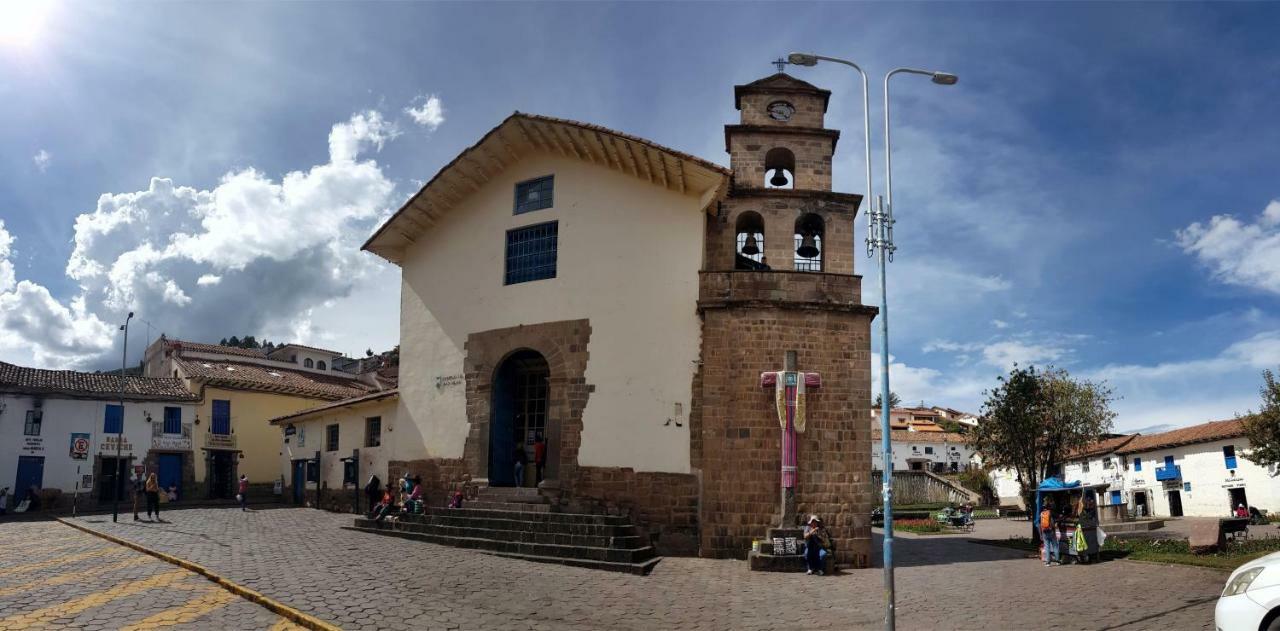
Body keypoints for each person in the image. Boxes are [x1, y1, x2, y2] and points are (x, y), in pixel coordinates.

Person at [1077, 493, 1100, 564]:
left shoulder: (1085, 507)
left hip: (1087, 526)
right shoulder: (1088, 505)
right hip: (1089, 526)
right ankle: (1091, 557)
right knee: (1089, 544)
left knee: (1087, 544)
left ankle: (1089, 558)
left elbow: (1083, 513)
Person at [1040, 497, 1058, 566]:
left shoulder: (1042, 513)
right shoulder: (1051, 512)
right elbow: (1056, 519)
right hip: (1051, 531)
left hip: (1044, 531)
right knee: (1055, 546)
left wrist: (1041, 534)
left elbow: (1040, 524)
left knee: (1047, 547)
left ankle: (1048, 563)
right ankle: (1057, 561)